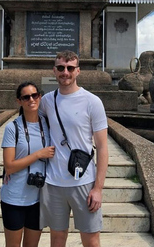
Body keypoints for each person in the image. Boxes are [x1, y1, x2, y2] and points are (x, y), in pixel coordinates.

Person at [39, 50, 109, 247]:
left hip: (83, 182)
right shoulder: (47, 101)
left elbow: (102, 147)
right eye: (61, 68)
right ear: (54, 70)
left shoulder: (92, 102)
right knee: (57, 238)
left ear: (78, 71)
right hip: (53, 183)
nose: (65, 72)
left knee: (91, 239)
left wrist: (98, 188)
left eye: (70, 68)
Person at [0, 81, 55, 247]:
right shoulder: (12, 128)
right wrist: (39, 154)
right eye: (26, 97)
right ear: (19, 101)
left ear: (40, 97)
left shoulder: (48, 124)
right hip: (14, 197)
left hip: (38, 198)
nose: (31, 99)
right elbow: (9, 166)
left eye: (35, 95)